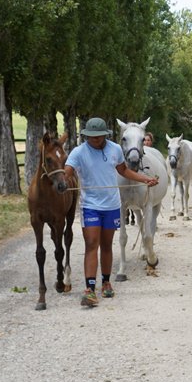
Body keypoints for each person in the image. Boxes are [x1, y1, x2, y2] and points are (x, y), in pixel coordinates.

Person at [64, 117, 158, 307]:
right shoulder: (79, 152)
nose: (95, 139)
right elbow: (67, 171)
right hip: (90, 206)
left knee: (107, 245)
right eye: (91, 136)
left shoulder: (115, 149)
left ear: (105, 135)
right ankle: (90, 289)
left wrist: (144, 179)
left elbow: (124, 171)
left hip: (112, 206)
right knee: (92, 244)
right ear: (86, 136)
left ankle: (106, 282)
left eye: (99, 136)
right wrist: (61, 182)